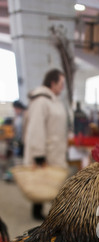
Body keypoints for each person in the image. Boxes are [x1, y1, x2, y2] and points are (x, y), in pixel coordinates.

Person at [24, 68, 68, 220]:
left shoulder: (54, 101)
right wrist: (38, 154)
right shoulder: (41, 101)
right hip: (45, 150)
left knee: (51, 182)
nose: (62, 87)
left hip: (55, 149)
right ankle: (38, 211)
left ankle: (52, 211)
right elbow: (36, 129)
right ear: (52, 83)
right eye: (61, 83)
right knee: (41, 182)